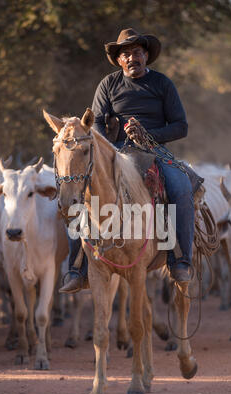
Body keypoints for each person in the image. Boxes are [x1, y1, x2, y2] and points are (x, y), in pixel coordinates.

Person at [59, 28, 195, 294]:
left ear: (146, 56)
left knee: (181, 188)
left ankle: (180, 260)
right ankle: (77, 268)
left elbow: (181, 126)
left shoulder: (162, 84)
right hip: (116, 152)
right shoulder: (108, 84)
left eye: (137, 52)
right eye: (126, 54)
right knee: (80, 196)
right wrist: (112, 145)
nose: (132, 58)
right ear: (119, 60)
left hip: (156, 153)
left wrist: (147, 135)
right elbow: (95, 123)